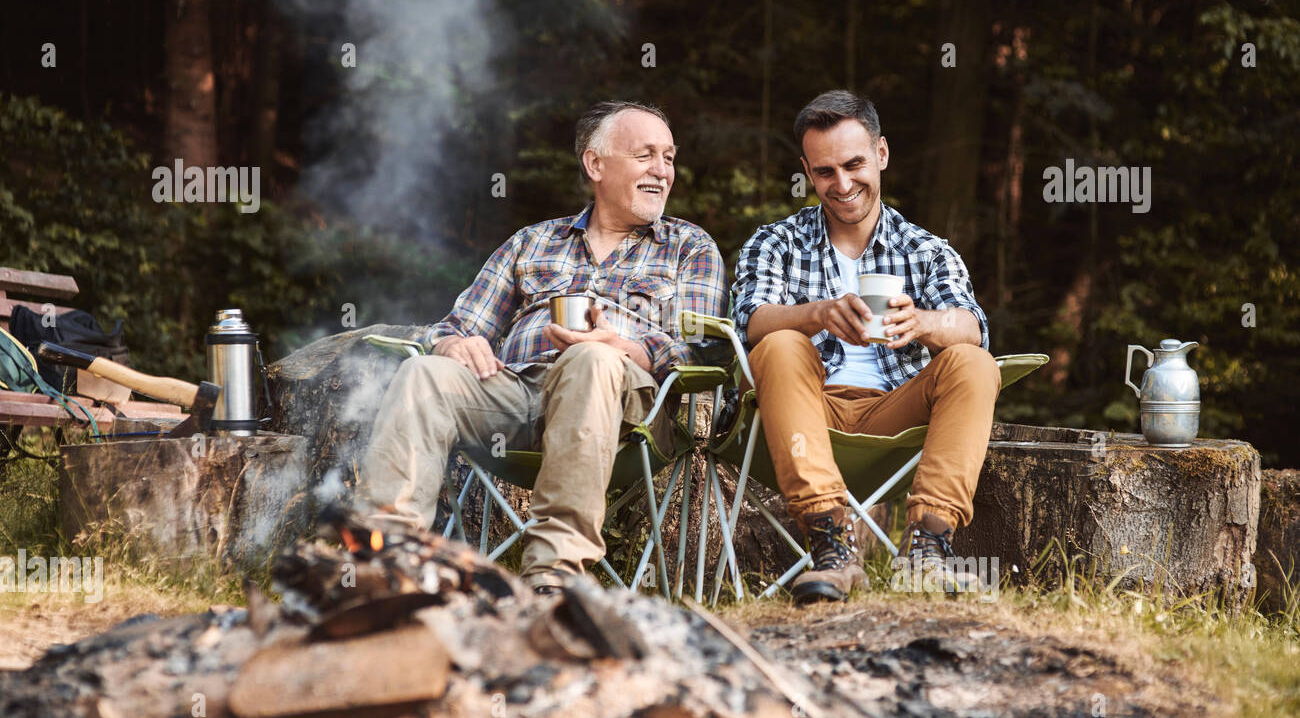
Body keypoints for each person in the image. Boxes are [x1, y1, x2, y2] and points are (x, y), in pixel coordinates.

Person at [356, 101, 728, 594]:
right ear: (596, 164)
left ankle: (554, 573)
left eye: (669, 157)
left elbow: (701, 350)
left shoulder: (688, 246)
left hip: (627, 409)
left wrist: (620, 345)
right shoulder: (532, 242)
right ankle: (385, 565)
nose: (662, 170)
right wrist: (451, 344)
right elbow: (458, 324)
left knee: (591, 357)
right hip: (519, 394)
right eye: (646, 156)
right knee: (426, 373)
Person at [731, 90, 1001, 604]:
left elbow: (973, 325)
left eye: (854, 164)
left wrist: (923, 322)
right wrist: (817, 314)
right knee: (780, 343)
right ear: (807, 172)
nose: (842, 184)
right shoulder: (776, 242)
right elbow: (751, 320)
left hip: (894, 413)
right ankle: (832, 547)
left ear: (881, 154)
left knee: (973, 362)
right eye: (825, 171)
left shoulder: (924, 248)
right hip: (806, 411)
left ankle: (928, 548)